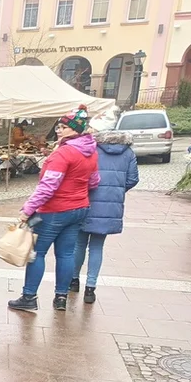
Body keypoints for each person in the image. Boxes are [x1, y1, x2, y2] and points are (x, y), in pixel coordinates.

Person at [8, 105, 100, 313]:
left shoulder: (64, 154)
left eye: (63, 127)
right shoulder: (90, 152)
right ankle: (61, 298)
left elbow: (48, 187)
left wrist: (27, 210)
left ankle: (29, 296)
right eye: (58, 127)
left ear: (75, 130)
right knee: (66, 254)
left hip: (53, 211)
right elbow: (94, 182)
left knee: (37, 254)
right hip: (79, 209)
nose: (58, 130)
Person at [70, 129, 140, 303]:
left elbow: (82, 175)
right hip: (111, 206)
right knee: (97, 247)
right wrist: (116, 191)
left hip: (87, 200)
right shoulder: (129, 152)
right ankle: (90, 289)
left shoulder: (93, 149)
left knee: (79, 244)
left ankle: (73, 280)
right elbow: (133, 179)